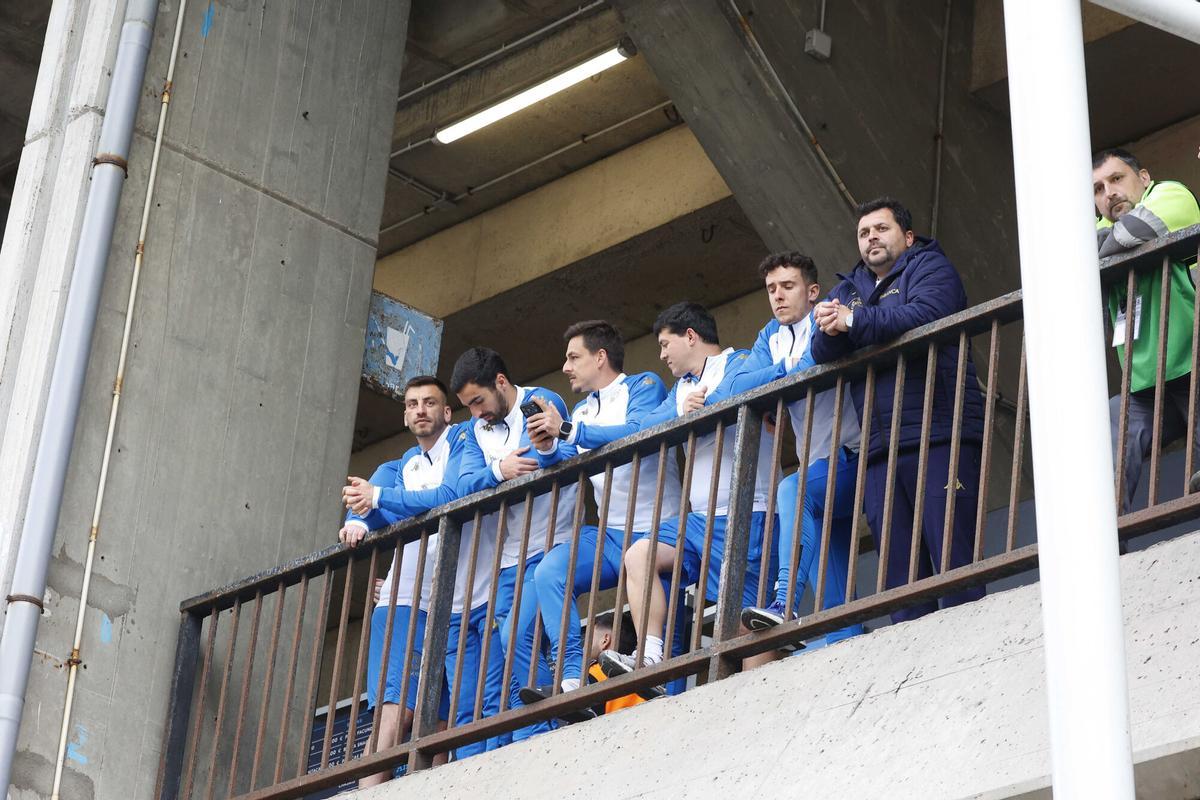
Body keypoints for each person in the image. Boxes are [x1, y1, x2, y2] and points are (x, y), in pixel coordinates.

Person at [811, 197, 986, 623]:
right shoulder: (847, 289)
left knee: (953, 557)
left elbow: (926, 313)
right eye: (863, 233)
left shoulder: (930, 266)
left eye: (881, 229)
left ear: (907, 237)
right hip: (879, 447)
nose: (871, 237)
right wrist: (832, 324)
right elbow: (820, 351)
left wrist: (852, 324)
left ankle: (972, 648)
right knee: (899, 575)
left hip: (941, 430)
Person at [594, 302, 779, 677]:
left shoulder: (740, 361)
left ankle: (762, 699)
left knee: (746, 628)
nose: (661, 355)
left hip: (750, 513)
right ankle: (650, 655)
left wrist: (706, 403)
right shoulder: (681, 389)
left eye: (665, 344)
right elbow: (647, 425)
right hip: (700, 521)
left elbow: (742, 388)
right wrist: (684, 407)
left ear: (691, 336)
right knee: (639, 554)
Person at [519, 320, 685, 709]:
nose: (565, 366)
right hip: (611, 534)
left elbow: (635, 431)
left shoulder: (643, 385)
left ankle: (666, 695)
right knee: (548, 572)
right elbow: (565, 456)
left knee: (671, 636)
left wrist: (569, 431)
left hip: (659, 528)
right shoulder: (580, 410)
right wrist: (546, 446)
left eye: (573, 357)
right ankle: (573, 675)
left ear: (600, 357)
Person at [704, 252, 865, 646]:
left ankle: (783, 602)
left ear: (812, 292)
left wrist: (779, 375)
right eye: (771, 289)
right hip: (820, 467)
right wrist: (780, 372)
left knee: (791, 489)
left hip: (858, 457)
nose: (778, 296)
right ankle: (847, 643)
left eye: (788, 286)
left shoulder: (826, 316)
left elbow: (813, 362)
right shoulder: (769, 337)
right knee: (835, 593)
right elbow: (727, 391)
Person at [451, 347, 577, 742]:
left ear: (501, 383)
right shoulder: (473, 432)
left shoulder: (541, 401)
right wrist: (498, 470)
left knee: (516, 636)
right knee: (507, 655)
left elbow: (552, 455)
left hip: (553, 544)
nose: (476, 413)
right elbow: (461, 485)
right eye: (468, 406)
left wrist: (516, 466)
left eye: (479, 401)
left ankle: (550, 723)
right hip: (508, 560)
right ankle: (535, 732)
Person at [338, 375, 458, 783]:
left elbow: (447, 495)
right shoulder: (399, 466)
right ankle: (370, 791)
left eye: (428, 402)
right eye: (411, 404)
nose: (419, 410)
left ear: (447, 411)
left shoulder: (461, 447)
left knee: (441, 720)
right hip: (406, 600)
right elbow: (371, 506)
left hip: (457, 601)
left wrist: (374, 502)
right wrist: (358, 520)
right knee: (397, 711)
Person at [1092, 148, 1200, 510]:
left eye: (1117, 179)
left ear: (1143, 178)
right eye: (1098, 188)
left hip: (1192, 364)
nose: (1109, 193)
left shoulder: (1171, 194)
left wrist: (1099, 251)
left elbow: (1137, 231)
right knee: (1106, 423)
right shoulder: (1097, 230)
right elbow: (1072, 256)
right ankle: (1109, 542)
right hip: (1145, 386)